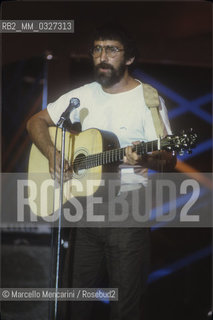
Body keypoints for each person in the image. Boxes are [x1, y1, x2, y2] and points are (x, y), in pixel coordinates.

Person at [27, 24, 176, 320]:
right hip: (85, 211)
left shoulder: (147, 98)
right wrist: (53, 154)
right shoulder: (82, 96)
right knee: (75, 304)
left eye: (111, 49)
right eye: (97, 49)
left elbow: (168, 158)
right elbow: (35, 122)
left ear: (129, 58)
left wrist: (144, 160)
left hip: (127, 212)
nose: (102, 56)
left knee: (124, 308)